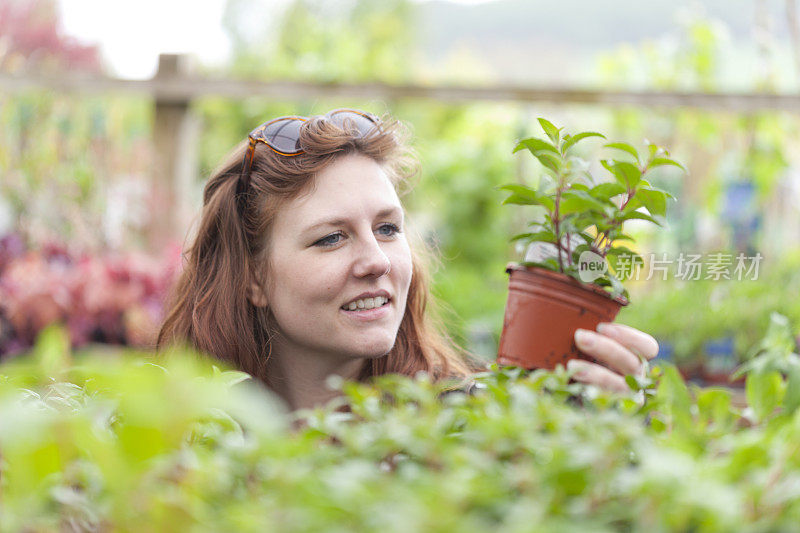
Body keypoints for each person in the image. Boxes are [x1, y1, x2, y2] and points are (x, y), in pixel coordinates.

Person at [157, 108, 659, 411]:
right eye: (331, 238)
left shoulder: (467, 427)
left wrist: (605, 437)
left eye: (388, 229)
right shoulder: (184, 443)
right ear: (253, 278)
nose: (376, 260)